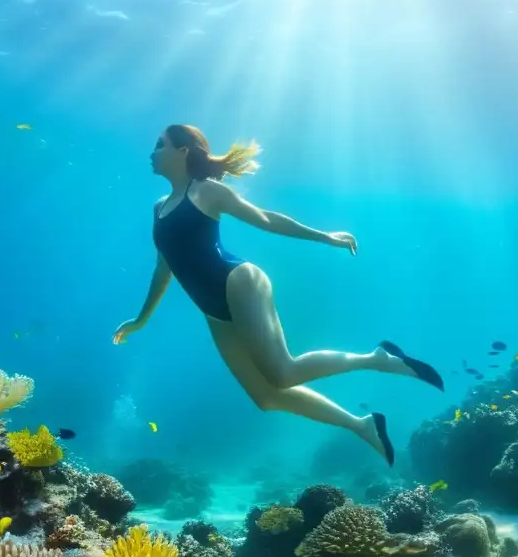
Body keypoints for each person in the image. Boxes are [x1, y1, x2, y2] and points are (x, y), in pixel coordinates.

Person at [112, 124, 445, 466]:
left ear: (183, 151)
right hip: (213, 309)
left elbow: (266, 219)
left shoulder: (206, 191)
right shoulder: (159, 208)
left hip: (239, 282)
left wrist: (326, 237)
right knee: (266, 397)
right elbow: (164, 268)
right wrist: (141, 319)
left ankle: (378, 359)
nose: (152, 152)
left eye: (159, 145)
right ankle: (363, 426)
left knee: (283, 373)